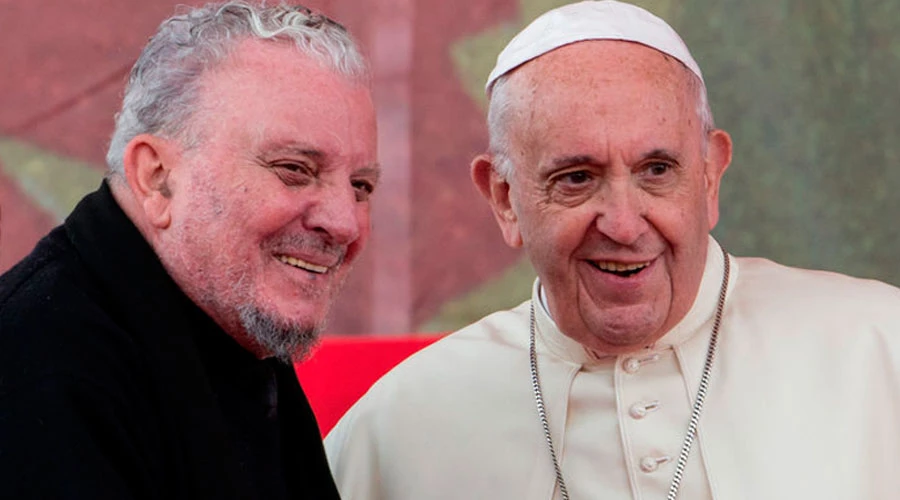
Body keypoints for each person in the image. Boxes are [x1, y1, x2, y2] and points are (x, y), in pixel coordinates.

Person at [324, 1, 900, 499]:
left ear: (710, 177)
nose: (623, 225)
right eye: (576, 178)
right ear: (504, 197)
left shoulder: (880, 348)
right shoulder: (401, 424)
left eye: (657, 169)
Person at [0, 2, 378, 499]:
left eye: (360, 186)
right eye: (294, 169)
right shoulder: (40, 373)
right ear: (157, 178)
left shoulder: (228, 322)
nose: (345, 221)